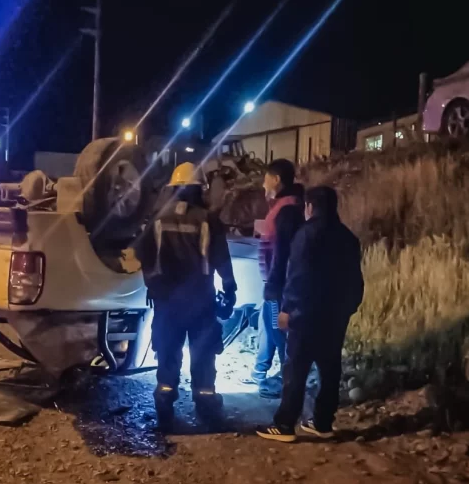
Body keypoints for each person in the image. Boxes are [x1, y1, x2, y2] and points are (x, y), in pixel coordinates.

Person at [257, 186, 364, 442]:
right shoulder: (348, 237)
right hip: (336, 314)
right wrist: (349, 307)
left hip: (306, 313)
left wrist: (287, 309)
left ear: (309, 207)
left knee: (296, 368)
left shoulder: (305, 234)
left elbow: (298, 276)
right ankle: (323, 422)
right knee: (330, 369)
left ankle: (284, 425)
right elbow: (355, 280)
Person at [136, 162, 237, 432]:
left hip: (167, 301)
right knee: (203, 354)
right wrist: (230, 289)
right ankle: (206, 407)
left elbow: (143, 255)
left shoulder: (158, 219)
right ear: (199, 189)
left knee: (168, 352)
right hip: (200, 300)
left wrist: (153, 286)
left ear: (173, 188)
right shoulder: (208, 219)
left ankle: (164, 404)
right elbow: (221, 258)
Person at [244, 159, 304, 397]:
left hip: (278, 284)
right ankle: (260, 372)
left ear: (276, 179)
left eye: (266, 178)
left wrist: (273, 284)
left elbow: (282, 252)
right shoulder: (283, 206)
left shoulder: (287, 209)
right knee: (266, 324)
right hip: (275, 281)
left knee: (277, 329)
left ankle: (286, 381)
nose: (263, 184)